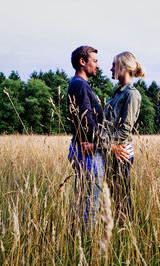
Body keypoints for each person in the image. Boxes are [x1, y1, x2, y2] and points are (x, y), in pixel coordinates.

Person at [101, 51, 144, 222]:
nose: (111, 68)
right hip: (112, 150)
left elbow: (126, 130)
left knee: (123, 198)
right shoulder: (118, 92)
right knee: (115, 196)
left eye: (114, 64)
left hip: (122, 153)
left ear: (124, 67)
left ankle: (128, 232)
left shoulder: (132, 94)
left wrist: (103, 143)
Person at [67, 45, 104, 228]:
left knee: (83, 202)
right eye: (95, 61)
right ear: (83, 62)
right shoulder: (80, 85)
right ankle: (85, 250)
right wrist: (104, 144)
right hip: (87, 151)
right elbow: (87, 123)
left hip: (83, 149)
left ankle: (76, 244)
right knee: (89, 206)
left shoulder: (79, 84)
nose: (97, 65)